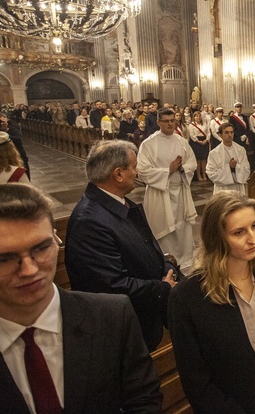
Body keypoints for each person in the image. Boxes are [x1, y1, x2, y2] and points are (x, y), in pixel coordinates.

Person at [0, 184, 162, 412]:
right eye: (2, 260)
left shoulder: (113, 316)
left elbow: (144, 401)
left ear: (55, 238)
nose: (29, 270)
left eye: (41, 248)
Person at [169, 192, 255, 414]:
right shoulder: (187, 297)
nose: (253, 239)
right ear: (216, 238)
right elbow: (196, 381)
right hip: (227, 403)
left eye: (254, 226)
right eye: (239, 232)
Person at [65, 140, 178, 352]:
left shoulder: (121, 203)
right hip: (121, 331)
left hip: (143, 317)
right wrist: (162, 288)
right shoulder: (89, 221)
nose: (137, 172)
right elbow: (111, 285)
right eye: (134, 167)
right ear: (118, 174)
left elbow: (147, 245)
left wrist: (165, 265)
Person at [138, 108, 198, 275]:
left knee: (182, 227)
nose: (170, 124)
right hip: (160, 193)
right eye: (166, 121)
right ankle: (166, 265)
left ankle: (185, 262)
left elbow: (192, 163)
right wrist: (168, 170)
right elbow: (142, 171)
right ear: (158, 123)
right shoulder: (149, 144)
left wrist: (182, 168)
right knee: (164, 229)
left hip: (180, 192)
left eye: (172, 120)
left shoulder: (181, 141)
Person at [206, 123, 250, 196]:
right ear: (220, 135)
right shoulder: (214, 153)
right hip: (223, 190)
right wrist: (229, 167)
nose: (230, 135)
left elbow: (247, 169)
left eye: (231, 132)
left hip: (238, 188)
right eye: (226, 132)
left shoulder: (241, 150)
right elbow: (211, 173)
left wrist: (236, 167)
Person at [188, 110, 210, 182]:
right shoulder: (191, 125)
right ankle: (198, 175)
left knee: (204, 159)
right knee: (198, 159)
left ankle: (204, 174)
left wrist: (206, 140)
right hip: (196, 142)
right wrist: (198, 141)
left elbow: (208, 133)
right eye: (196, 116)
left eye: (199, 116)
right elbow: (191, 134)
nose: (198, 117)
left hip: (204, 141)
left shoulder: (204, 124)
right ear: (194, 117)